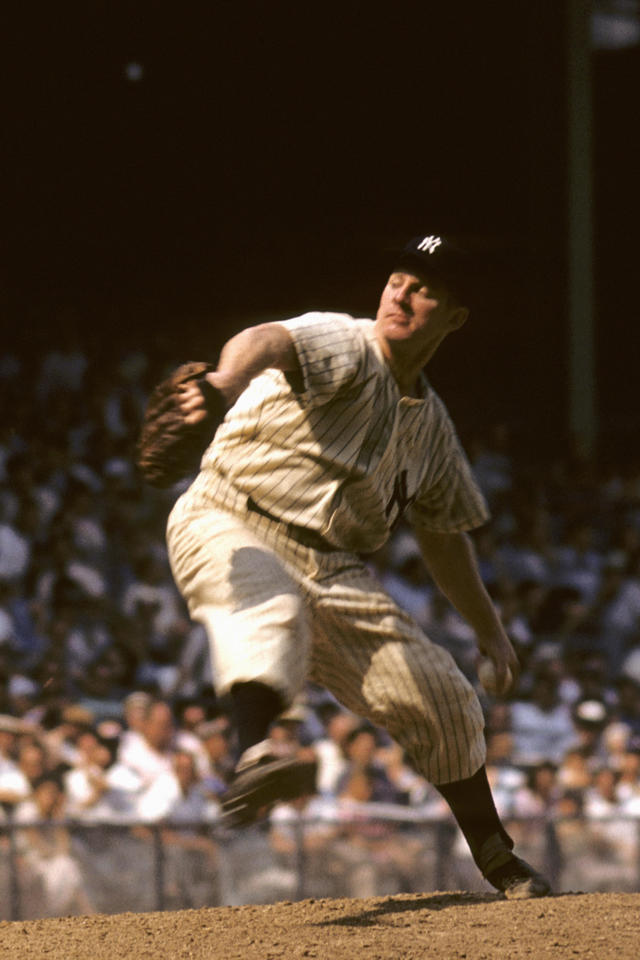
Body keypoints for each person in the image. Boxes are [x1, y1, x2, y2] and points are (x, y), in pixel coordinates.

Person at [165, 233, 551, 899]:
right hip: (227, 514)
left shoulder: (431, 428)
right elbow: (268, 340)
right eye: (400, 277)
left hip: (334, 568)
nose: (402, 292)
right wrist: (224, 382)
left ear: (455, 318)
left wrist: (489, 630)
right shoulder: (343, 340)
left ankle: (495, 854)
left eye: (426, 287)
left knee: (445, 698)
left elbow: (444, 535)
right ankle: (256, 755)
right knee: (269, 605)